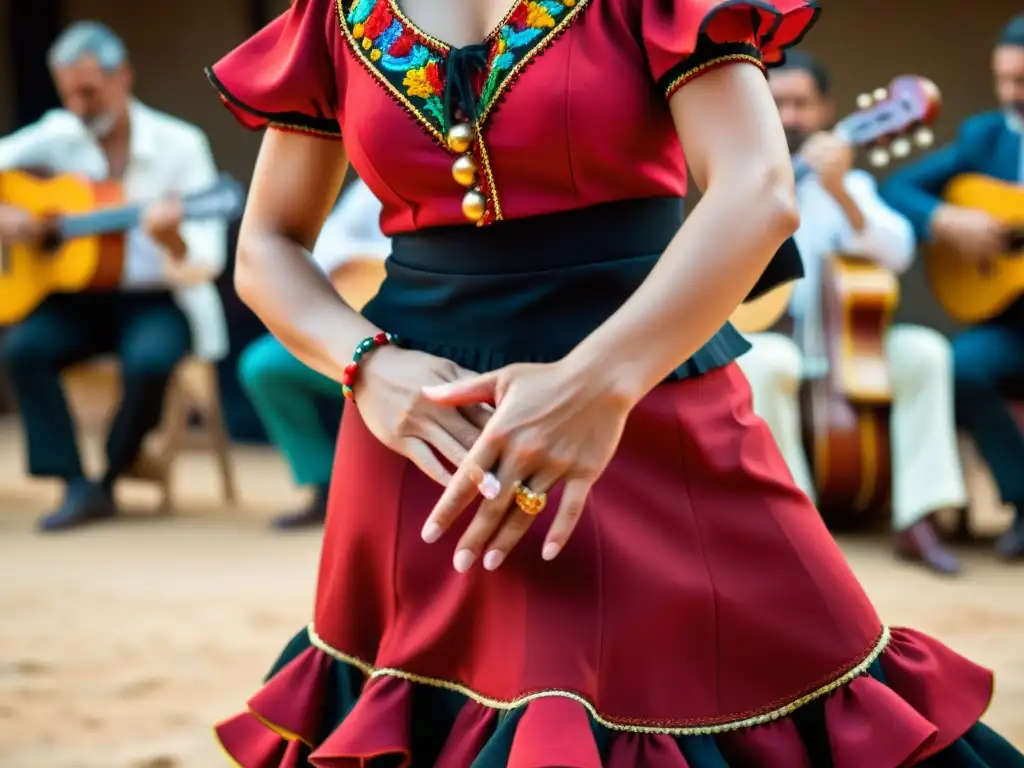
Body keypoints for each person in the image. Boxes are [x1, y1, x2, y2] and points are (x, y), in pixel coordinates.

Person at [206, 0, 1022, 764]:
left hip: (652, 415)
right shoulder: (331, 13)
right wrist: (368, 365)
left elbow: (759, 190)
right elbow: (266, 245)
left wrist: (595, 385)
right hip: (424, 451)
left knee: (811, 695)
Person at [736, 52, 965, 575]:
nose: (791, 117)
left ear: (827, 110)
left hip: (847, 345)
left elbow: (899, 249)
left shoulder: (853, 187)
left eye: (802, 104)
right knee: (769, 363)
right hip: (778, 338)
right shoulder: (741, 182)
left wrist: (839, 190)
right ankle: (797, 526)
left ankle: (920, 514)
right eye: (778, 104)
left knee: (925, 352)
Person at [0, 21, 227, 532]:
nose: (80, 106)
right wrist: (9, 216)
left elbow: (207, 258)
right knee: (23, 349)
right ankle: (74, 483)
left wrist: (171, 237)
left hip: (157, 298)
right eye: (70, 95)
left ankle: (110, 474)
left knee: (150, 362)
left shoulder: (180, 145)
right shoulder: (60, 132)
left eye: (90, 91)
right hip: (77, 296)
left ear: (122, 76)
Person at [881, 14, 1024, 560]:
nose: (1011, 92)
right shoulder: (985, 136)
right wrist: (946, 220)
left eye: (1022, 81)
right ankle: (1022, 500)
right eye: (1003, 78)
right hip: (1008, 326)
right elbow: (898, 187)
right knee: (960, 365)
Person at [238, 178, 389, 530]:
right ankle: (324, 487)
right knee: (264, 365)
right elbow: (330, 238)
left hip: (441, 335)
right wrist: (370, 264)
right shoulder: (378, 183)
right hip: (363, 327)